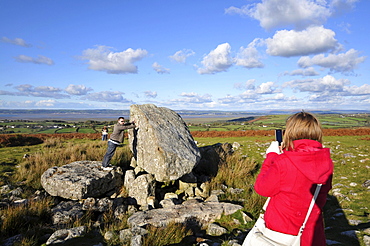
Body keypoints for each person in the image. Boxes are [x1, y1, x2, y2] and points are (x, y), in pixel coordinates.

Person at [254, 111, 333, 246]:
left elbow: (262, 188)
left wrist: (272, 156)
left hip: (281, 232)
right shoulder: (326, 161)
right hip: (311, 232)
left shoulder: (283, 162)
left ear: (290, 131)